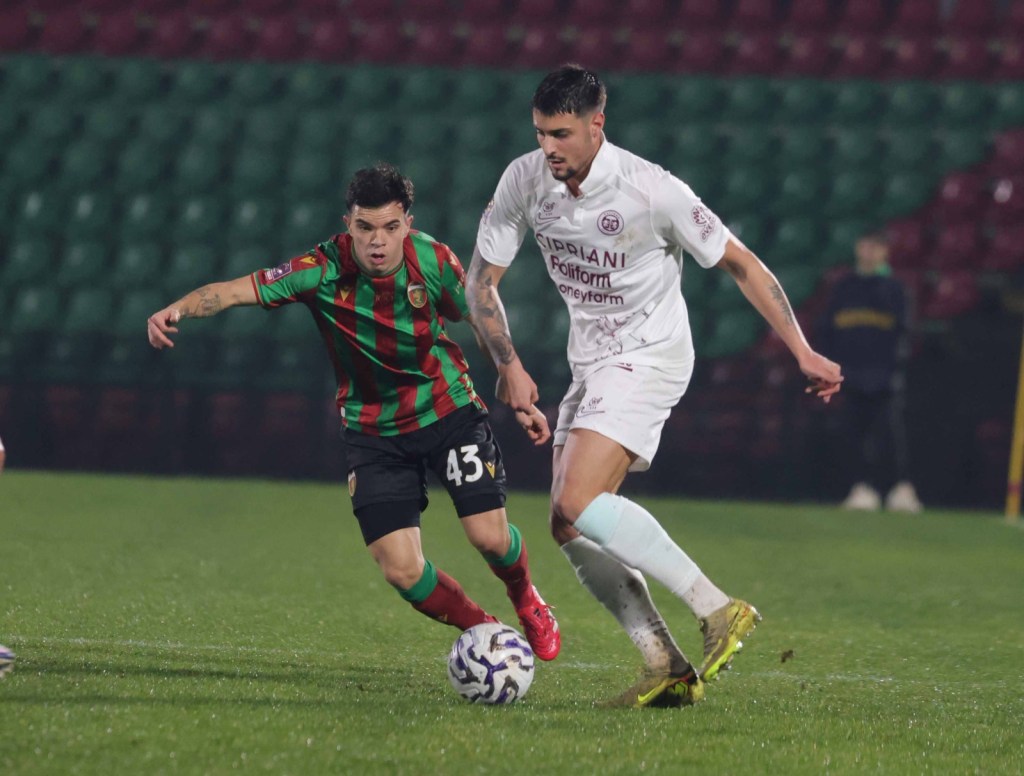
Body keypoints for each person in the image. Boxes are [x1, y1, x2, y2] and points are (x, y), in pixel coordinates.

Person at [466, 64, 842, 707]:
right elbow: (480, 283)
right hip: (592, 360)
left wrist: (801, 349)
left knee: (580, 500)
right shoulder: (525, 179)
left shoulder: (651, 190)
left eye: (560, 133)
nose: (548, 147)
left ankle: (718, 607)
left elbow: (740, 263)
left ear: (596, 126)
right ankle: (663, 663)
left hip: (652, 354)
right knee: (565, 523)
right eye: (539, 133)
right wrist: (508, 364)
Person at [147, 163, 560, 661]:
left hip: (448, 410)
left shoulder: (432, 259)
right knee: (402, 571)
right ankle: (487, 633)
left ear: (407, 222)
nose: (377, 241)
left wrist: (510, 370)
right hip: (372, 431)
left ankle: (527, 599)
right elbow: (237, 290)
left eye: (389, 227)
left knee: (490, 537)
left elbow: (478, 309)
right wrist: (177, 308)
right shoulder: (321, 269)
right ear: (349, 224)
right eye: (365, 228)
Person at [817, 232, 922, 513]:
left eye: (875, 247)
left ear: (885, 252)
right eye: (865, 245)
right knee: (853, 433)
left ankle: (901, 489)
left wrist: (894, 369)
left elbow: (904, 333)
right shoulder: (843, 288)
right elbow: (828, 330)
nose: (869, 252)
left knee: (890, 433)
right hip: (850, 375)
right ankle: (861, 488)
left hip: (884, 376)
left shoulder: (896, 289)